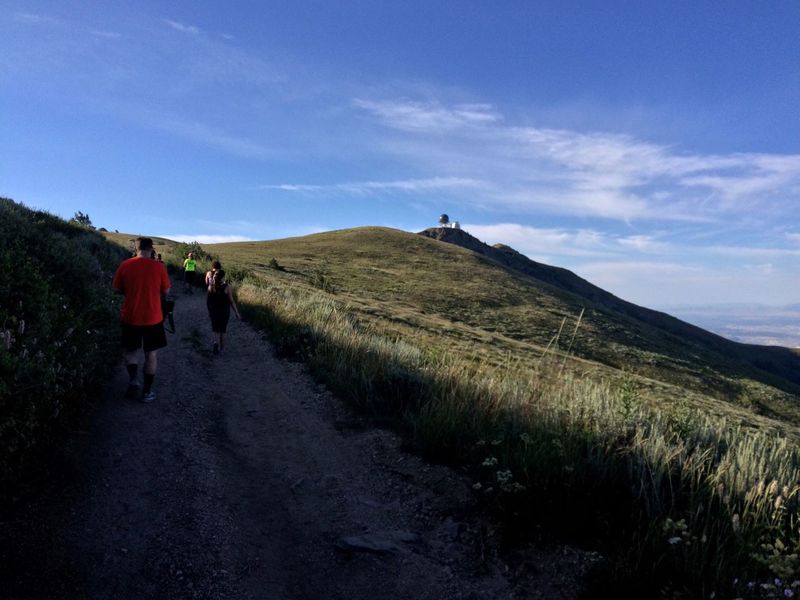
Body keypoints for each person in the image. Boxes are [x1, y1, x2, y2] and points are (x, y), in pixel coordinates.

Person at [112, 237, 171, 402]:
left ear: (135, 248)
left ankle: (133, 381)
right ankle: (147, 392)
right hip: (154, 317)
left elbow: (116, 289)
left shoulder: (125, 265)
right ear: (151, 249)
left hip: (130, 316)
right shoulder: (159, 267)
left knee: (131, 352)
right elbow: (166, 291)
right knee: (151, 354)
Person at [206, 269, 241, 355]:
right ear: (223, 277)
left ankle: (215, 343)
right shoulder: (226, 287)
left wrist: (210, 312)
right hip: (224, 311)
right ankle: (221, 348)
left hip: (214, 311)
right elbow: (231, 301)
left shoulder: (210, 287)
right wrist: (236, 313)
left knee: (215, 330)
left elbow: (208, 302)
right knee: (223, 330)